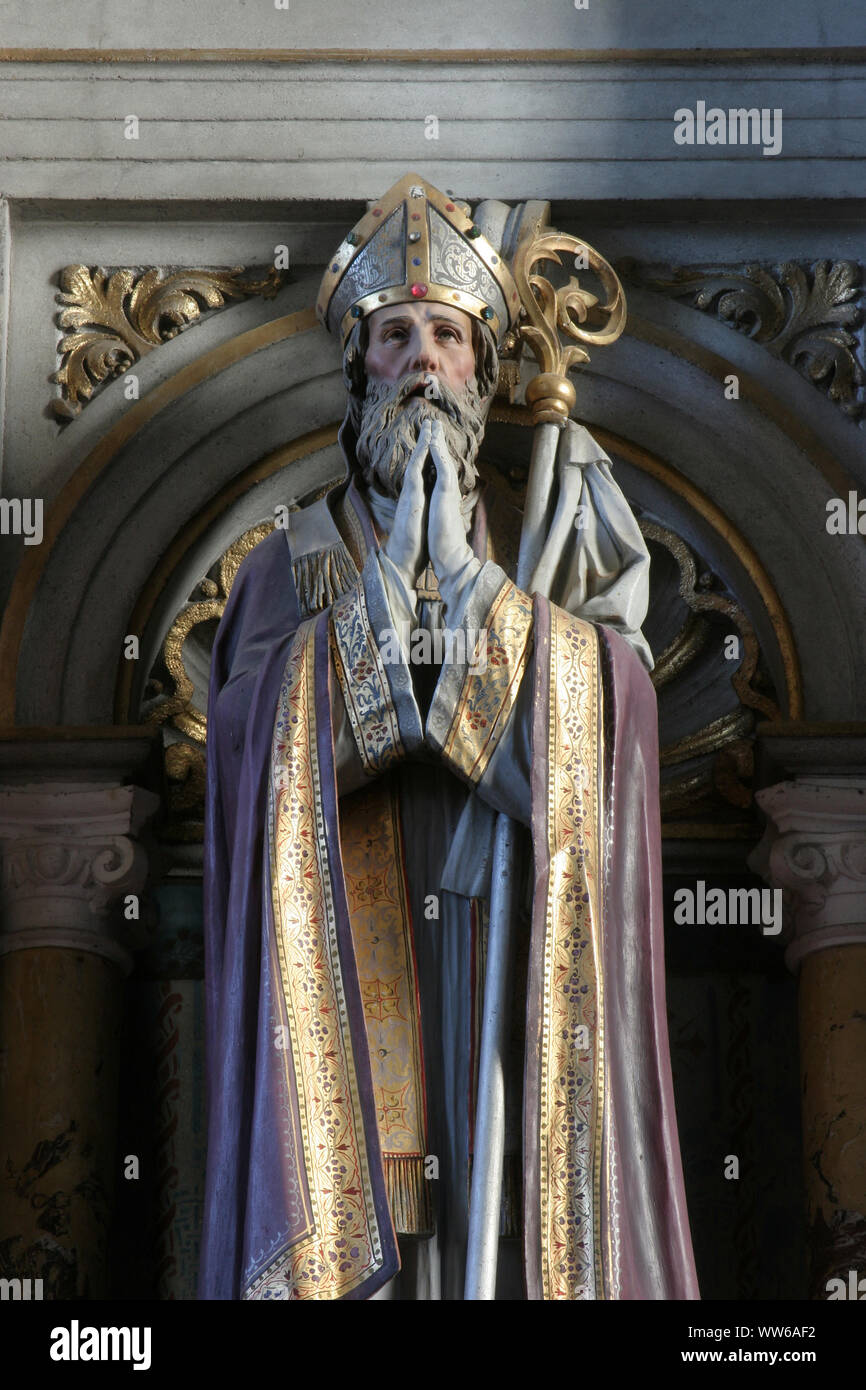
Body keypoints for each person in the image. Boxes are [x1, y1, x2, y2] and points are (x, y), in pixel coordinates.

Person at [200, 173, 698, 1300]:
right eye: (391, 338)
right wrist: (372, 614)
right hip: (350, 952)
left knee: (499, 1227)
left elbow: (609, 740)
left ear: (480, 371)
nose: (420, 360)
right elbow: (246, 760)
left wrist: (482, 599)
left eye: (445, 336)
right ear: (355, 371)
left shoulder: (543, 555)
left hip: (508, 949)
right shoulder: (287, 570)